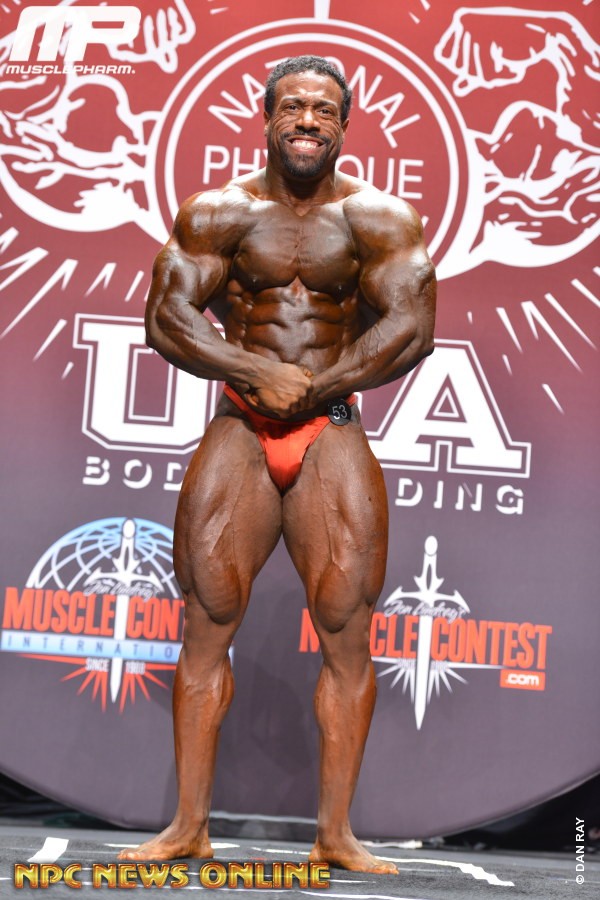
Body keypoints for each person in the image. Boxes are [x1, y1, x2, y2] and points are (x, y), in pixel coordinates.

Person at [119, 55, 436, 873]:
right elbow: (165, 316)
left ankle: (336, 836)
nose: (307, 120)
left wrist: (316, 387)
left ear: (344, 126)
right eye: (292, 106)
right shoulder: (220, 213)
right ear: (266, 119)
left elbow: (411, 327)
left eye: (324, 110)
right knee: (206, 619)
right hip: (240, 424)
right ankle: (188, 826)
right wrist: (253, 370)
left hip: (330, 426)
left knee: (347, 628)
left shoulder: (379, 218)